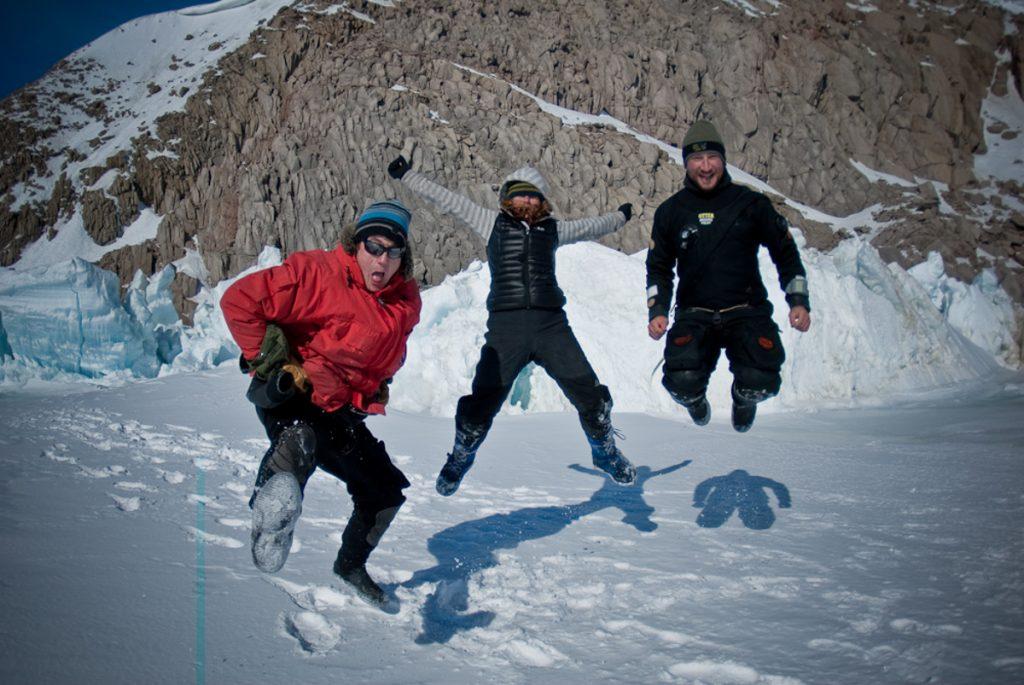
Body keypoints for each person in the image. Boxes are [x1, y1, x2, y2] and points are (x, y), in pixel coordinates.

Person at [387, 154, 637, 495]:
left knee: (590, 394)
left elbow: (591, 226)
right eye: (521, 193)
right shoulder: (491, 222)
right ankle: (462, 455)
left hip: (551, 326)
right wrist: (409, 176)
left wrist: (620, 217)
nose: (527, 200)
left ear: (542, 201)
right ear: (508, 196)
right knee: (483, 401)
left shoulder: (554, 230)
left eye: (534, 195)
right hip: (506, 328)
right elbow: (447, 199)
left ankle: (605, 452)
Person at [220, 200, 421, 610]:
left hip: (339, 409)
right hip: (293, 392)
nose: (382, 259)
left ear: (403, 257)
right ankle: (270, 519)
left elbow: (382, 350)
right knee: (299, 442)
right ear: (355, 244)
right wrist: (272, 360)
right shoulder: (319, 274)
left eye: (393, 250)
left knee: (384, 492)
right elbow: (239, 301)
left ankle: (349, 567)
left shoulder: (404, 302)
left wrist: (377, 384)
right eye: (373, 246)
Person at [646, 120, 811, 432]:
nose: (705, 167)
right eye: (697, 159)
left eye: (712, 158)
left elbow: (786, 253)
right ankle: (695, 402)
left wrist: (798, 300)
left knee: (762, 379)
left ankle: (744, 399)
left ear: (723, 160)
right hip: (695, 312)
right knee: (680, 382)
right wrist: (657, 309)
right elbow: (659, 267)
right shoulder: (670, 212)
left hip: (746, 310)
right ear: (686, 163)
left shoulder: (752, 204)